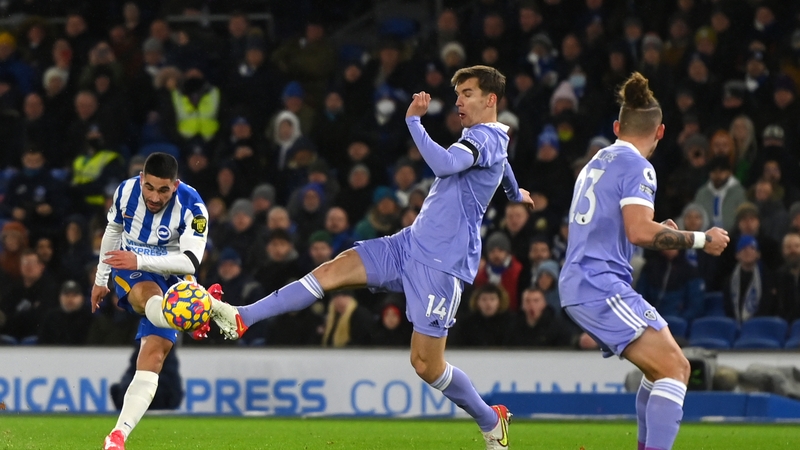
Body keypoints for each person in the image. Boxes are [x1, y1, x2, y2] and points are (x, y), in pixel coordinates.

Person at [211, 65, 533, 448]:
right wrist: (515, 193)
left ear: (490, 99)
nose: (458, 100)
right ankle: (242, 316)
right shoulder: (486, 138)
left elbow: (445, 164)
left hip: (443, 266)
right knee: (332, 270)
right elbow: (501, 164)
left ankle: (489, 419)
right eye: (458, 93)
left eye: (467, 93)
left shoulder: (484, 138)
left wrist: (414, 122)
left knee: (426, 366)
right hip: (408, 244)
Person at [559, 73, 729, 450]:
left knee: (658, 371)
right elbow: (637, 232)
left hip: (584, 280)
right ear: (661, 131)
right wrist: (702, 239)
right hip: (598, 283)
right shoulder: (638, 166)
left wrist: (656, 229)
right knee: (677, 368)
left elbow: (623, 227)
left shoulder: (596, 161)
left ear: (618, 127)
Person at [92, 153, 221, 450]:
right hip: (132, 267)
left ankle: (117, 435)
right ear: (141, 179)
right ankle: (194, 316)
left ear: (175, 186)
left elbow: (190, 261)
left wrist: (142, 257)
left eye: (163, 190)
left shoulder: (194, 207)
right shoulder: (125, 191)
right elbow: (114, 230)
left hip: (174, 274)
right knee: (149, 295)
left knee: (154, 356)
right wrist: (101, 279)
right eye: (149, 187)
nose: (154, 196)